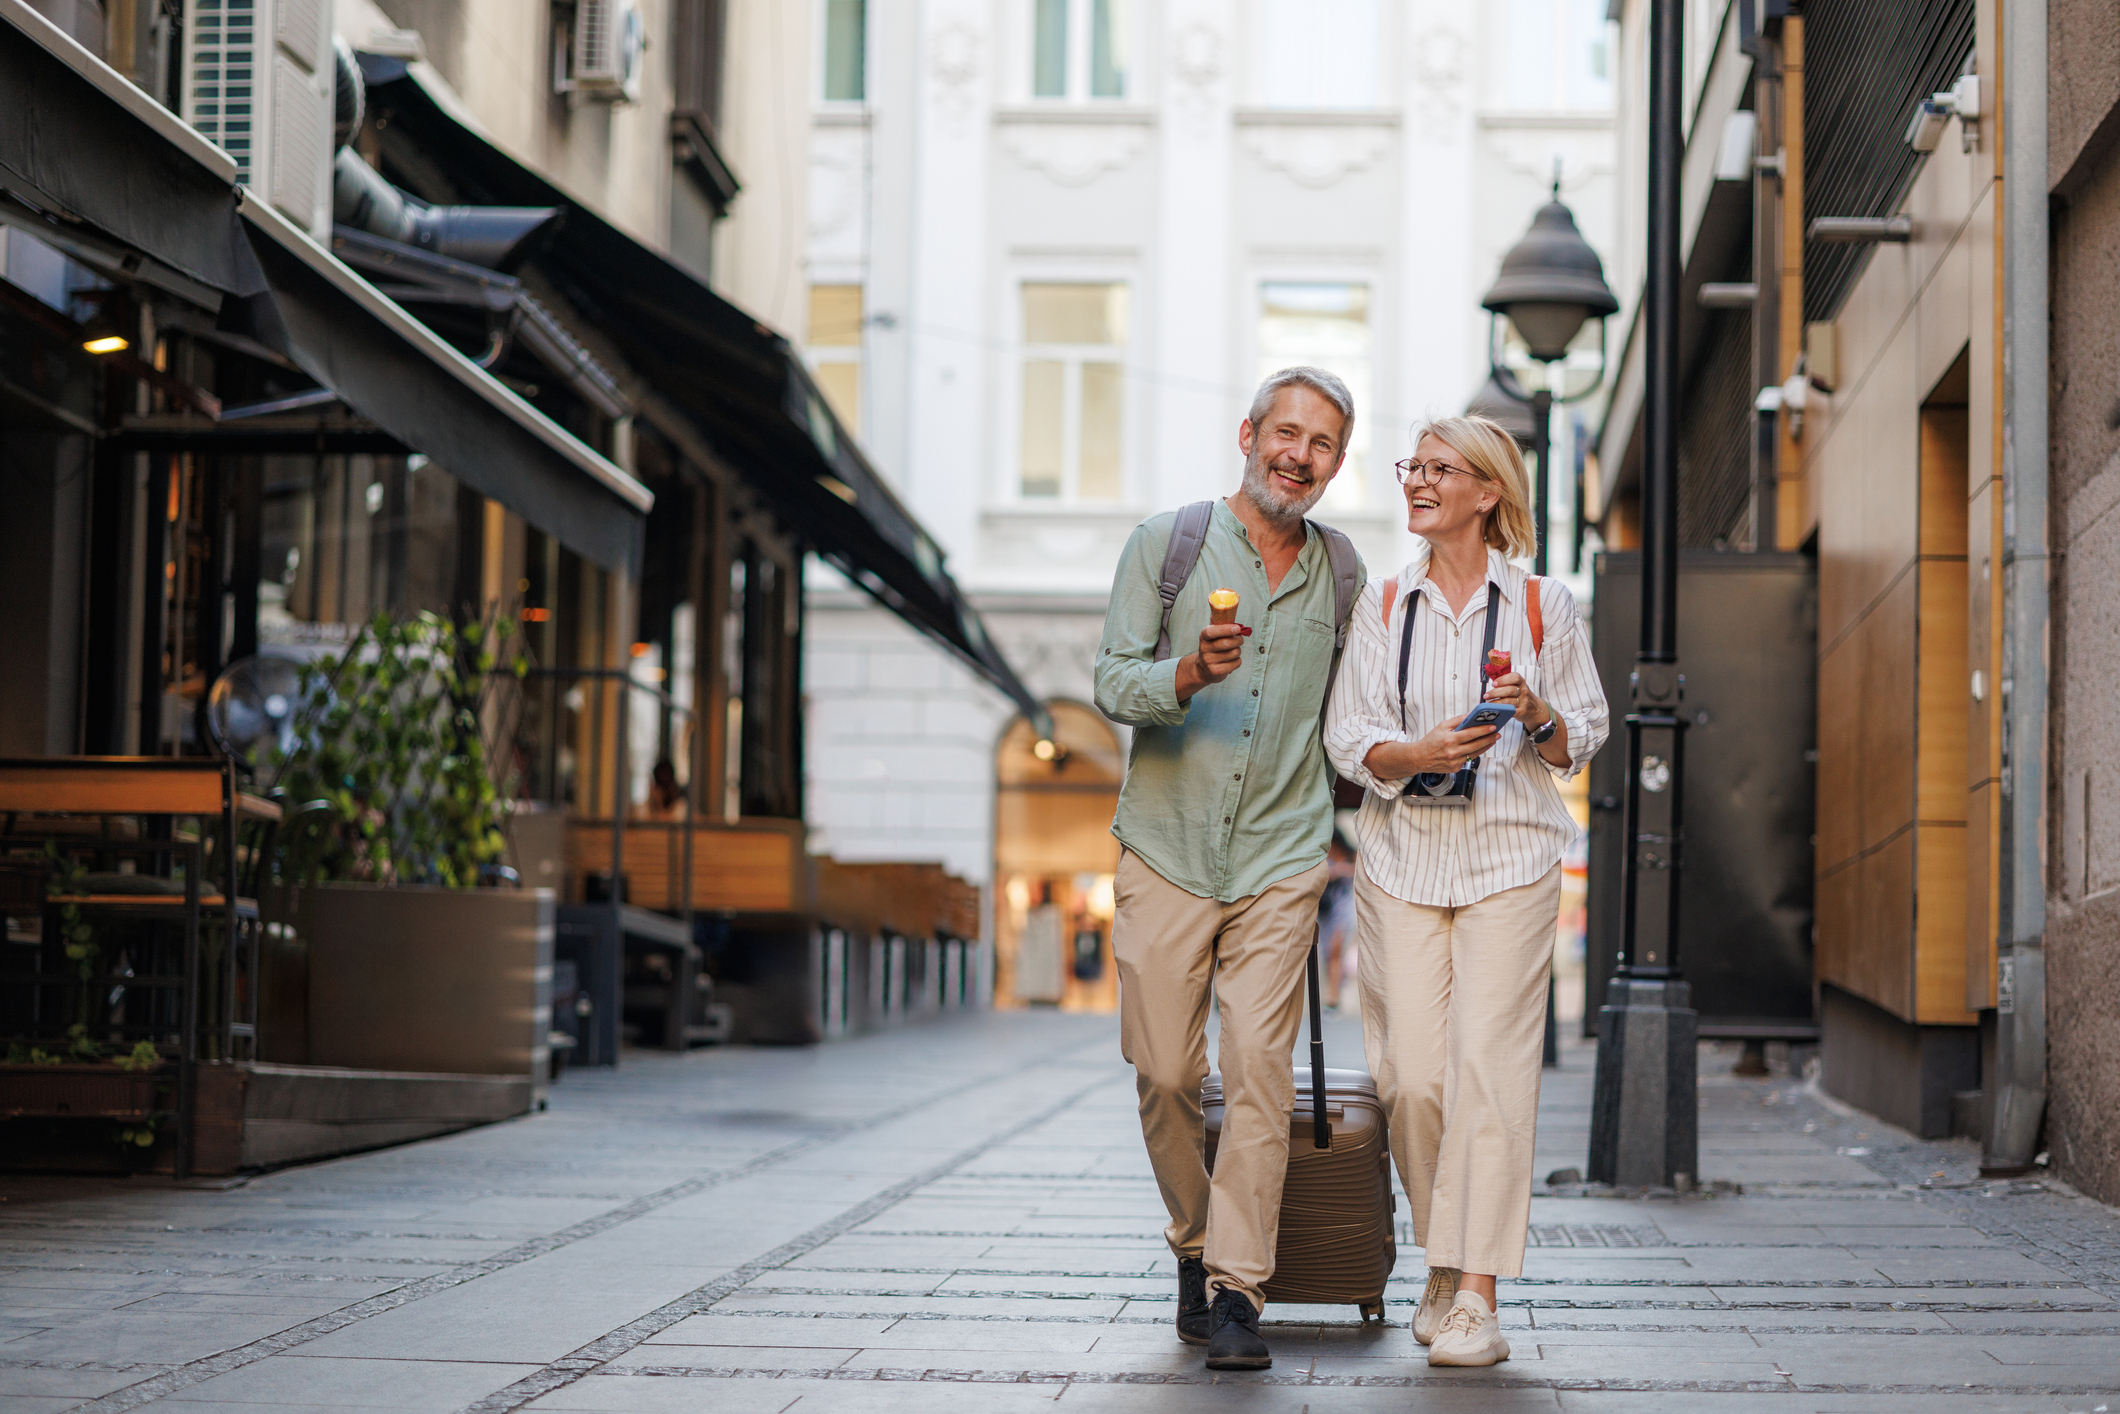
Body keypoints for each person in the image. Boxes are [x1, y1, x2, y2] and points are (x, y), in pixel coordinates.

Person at [1094, 367, 1367, 1371]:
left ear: (1336, 463)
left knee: (1258, 1069)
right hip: (1164, 843)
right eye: (1284, 432)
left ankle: (1237, 1289)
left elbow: (1352, 711)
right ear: (1247, 432)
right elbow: (1111, 680)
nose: (1298, 454)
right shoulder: (1163, 545)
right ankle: (1193, 1240)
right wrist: (1187, 673)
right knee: (1166, 1069)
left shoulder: (1341, 574)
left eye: (1322, 443)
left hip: (1282, 854)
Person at [1323, 415, 1608, 1368]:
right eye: (1414, 466)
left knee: (1488, 1069)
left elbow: (1583, 739)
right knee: (1410, 1074)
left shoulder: (1541, 605)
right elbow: (1349, 734)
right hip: (1403, 859)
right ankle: (1446, 1252)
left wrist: (1532, 709)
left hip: (1510, 859)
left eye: (1440, 469)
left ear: (1488, 493)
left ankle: (1475, 1293)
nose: (1418, 480)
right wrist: (1414, 753)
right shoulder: (1384, 603)